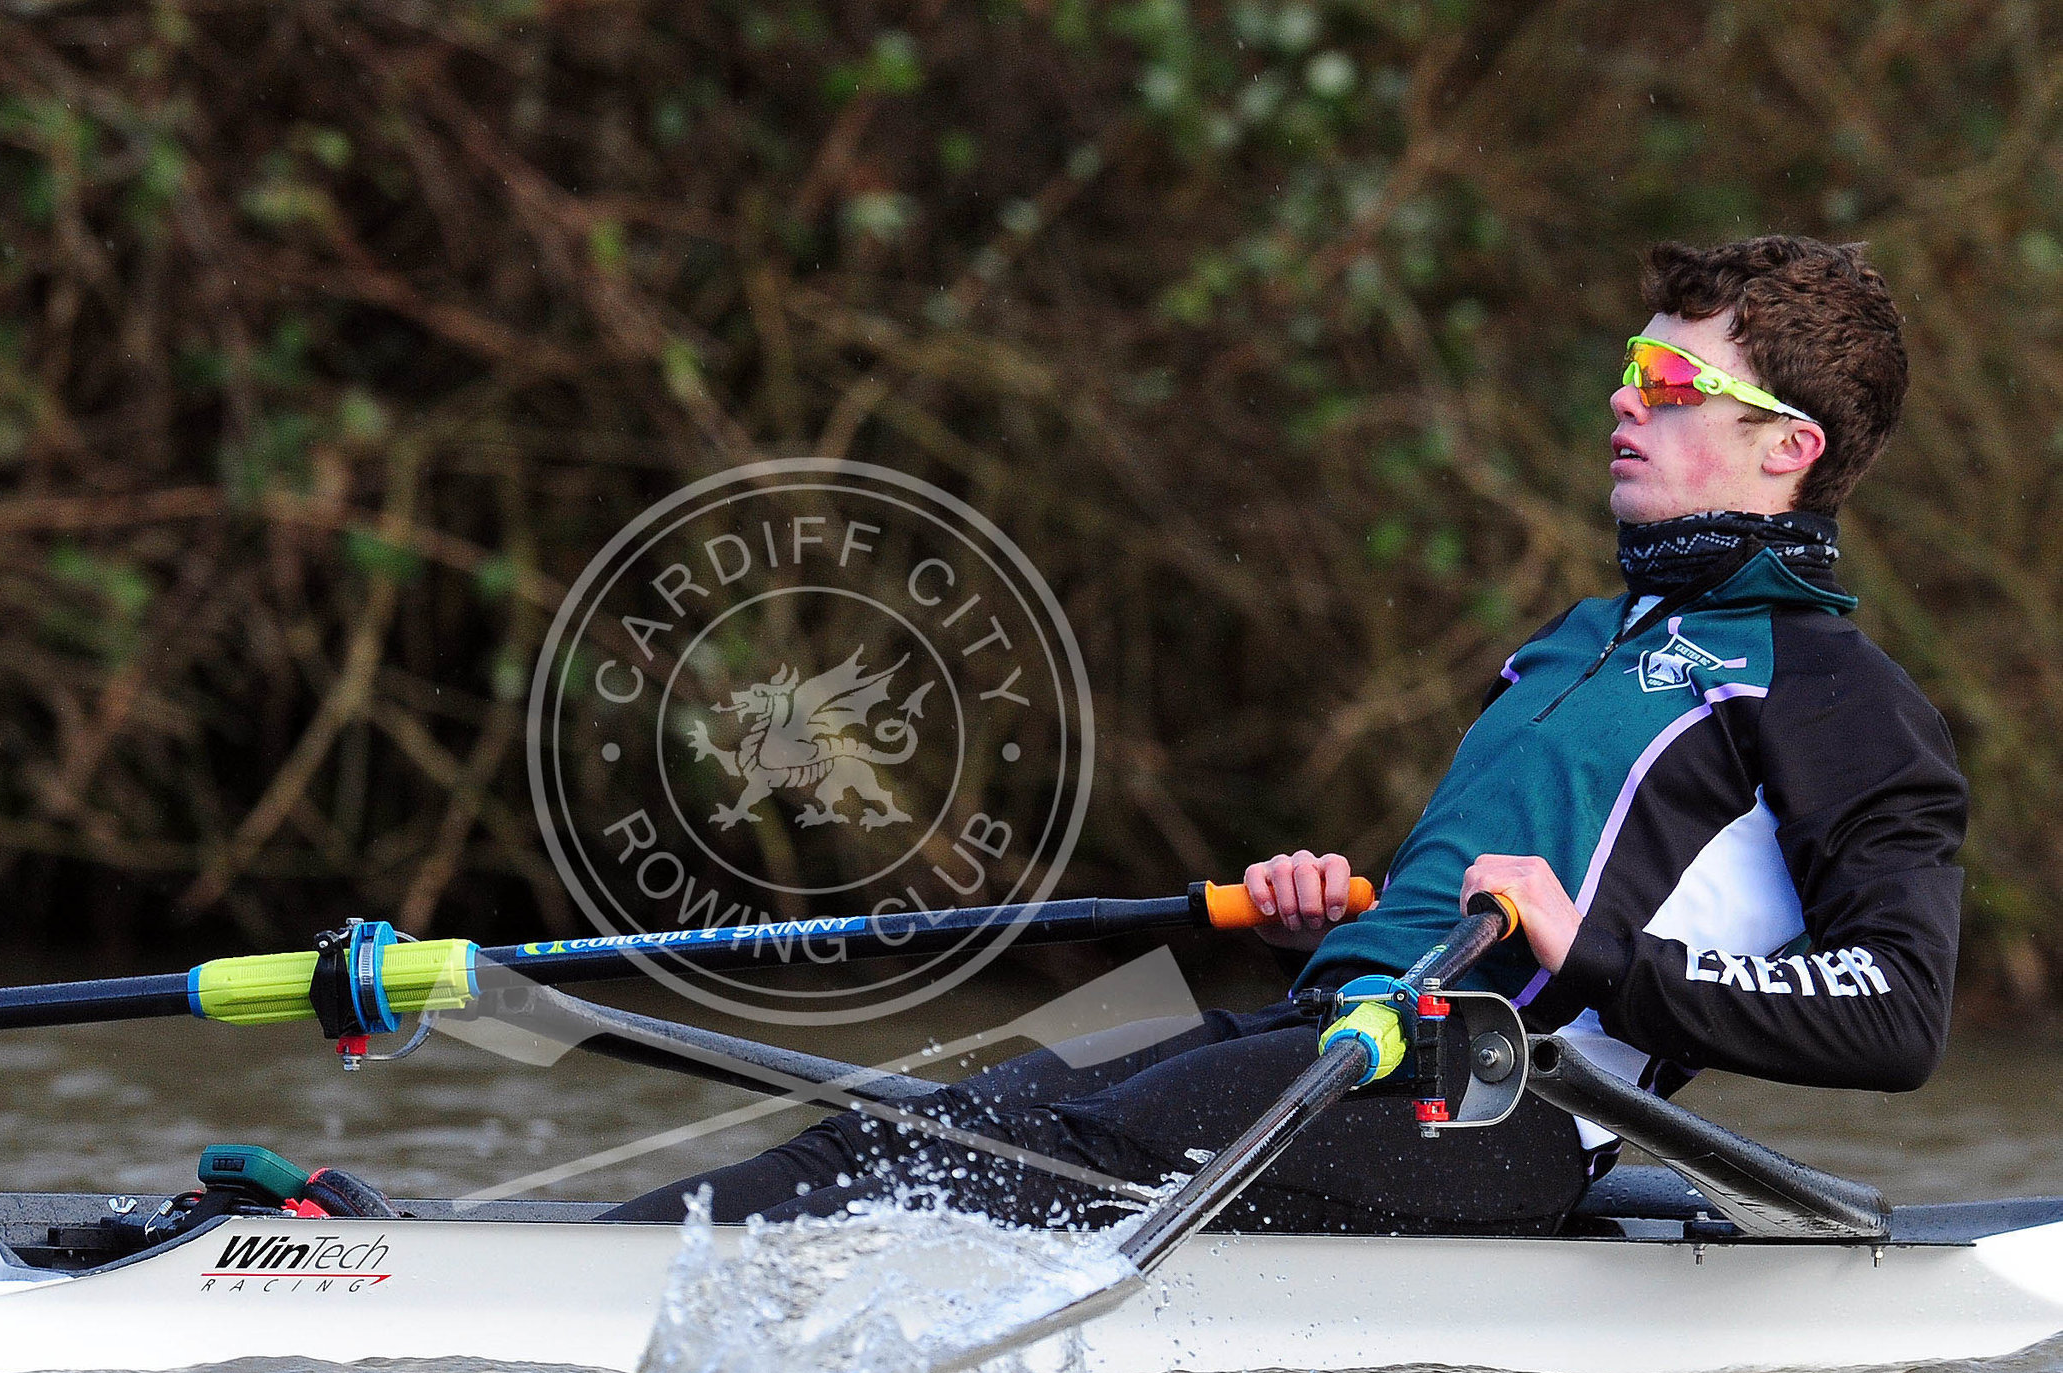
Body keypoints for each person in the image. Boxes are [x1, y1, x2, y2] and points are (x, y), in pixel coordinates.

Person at [604, 235, 1967, 1236]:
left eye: (1669, 379)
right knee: (929, 1121)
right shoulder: (1575, 640)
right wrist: (1348, 922)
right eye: (1629, 365)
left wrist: (1597, 954)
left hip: (1487, 1122)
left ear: (1787, 447)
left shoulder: (1835, 694)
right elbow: (1501, 892)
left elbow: (1898, 1013)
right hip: (1337, 1041)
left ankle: (560, 1293)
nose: (1621, 398)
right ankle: (533, 1264)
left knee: (1001, 1160)